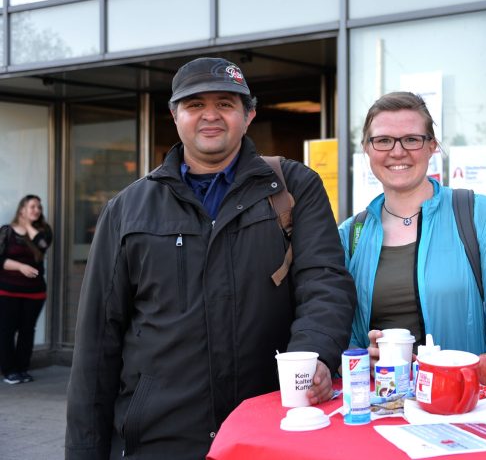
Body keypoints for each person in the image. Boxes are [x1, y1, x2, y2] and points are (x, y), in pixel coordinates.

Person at [65, 57, 356, 459]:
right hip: (160, 438)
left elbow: (324, 281)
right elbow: (98, 340)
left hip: (268, 429)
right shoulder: (127, 209)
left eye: (225, 103)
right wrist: (84, 451)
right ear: (175, 114)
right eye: (195, 104)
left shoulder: (294, 188)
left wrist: (315, 355)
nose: (211, 116)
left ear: (248, 114)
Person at [338, 91, 486, 367]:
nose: (397, 151)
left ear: (432, 146)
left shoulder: (482, 216)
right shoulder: (349, 236)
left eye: (412, 139)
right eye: (383, 140)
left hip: (465, 402)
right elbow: (339, 334)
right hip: (381, 401)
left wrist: (483, 391)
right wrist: (358, 358)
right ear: (367, 149)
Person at [0, 195, 53, 385]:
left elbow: (43, 245)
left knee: (27, 331)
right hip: (7, 291)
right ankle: (9, 371)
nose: (36, 210)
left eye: (39, 207)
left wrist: (28, 225)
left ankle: (22, 369)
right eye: (32, 206)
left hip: (35, 293)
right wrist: (19, 266)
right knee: (6, 332)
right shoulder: (6, 231)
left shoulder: (43, 231)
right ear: (22, 208)